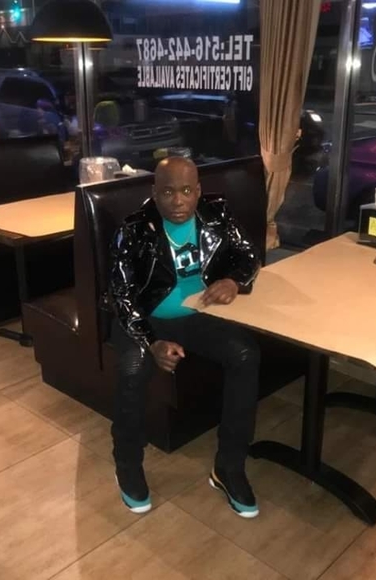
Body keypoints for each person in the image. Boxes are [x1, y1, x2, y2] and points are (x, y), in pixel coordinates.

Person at [108, 156, 262, 518]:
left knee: (246, 354)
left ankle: (229, 467)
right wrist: (151, 341)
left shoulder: (216, 214)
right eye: (168, 192)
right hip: (144, 320)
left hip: (197, 315)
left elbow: (248, 254)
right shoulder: (133, 230)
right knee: (133, 370)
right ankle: (127, 463)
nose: (178, 201)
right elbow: (121, 296)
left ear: (198, 191)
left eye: (187, 191)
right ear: (154, 192)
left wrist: (233, 280)